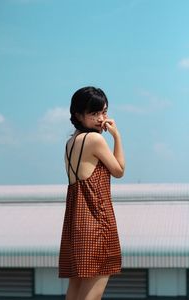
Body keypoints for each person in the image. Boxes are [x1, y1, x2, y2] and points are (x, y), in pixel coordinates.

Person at [59, 86, 125, 300]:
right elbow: (119, 171)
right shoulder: (95, 140)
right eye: (94, 113)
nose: (101, 118)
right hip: (96, 222)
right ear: (78, 115)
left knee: (76, 287)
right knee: (93, 292)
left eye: (103, 112)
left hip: (75, 223)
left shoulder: (70, 143)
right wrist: (117, 137)